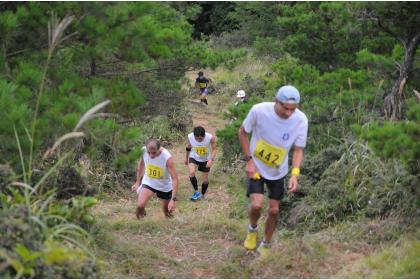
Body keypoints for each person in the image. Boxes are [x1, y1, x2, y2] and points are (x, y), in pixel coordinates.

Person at [238, 85, 308, 257]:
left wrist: (295, 174)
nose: (289, 113)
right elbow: (242, 132)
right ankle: (252, 230)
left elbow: (298, 149)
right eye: (285, 108)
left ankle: (266, 244)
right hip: (257, 167)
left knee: (274, 210)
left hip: (278, 171)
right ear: (276, 101)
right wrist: (249, 161)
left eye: (293, 109)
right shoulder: (259, 111)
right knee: (256, 205)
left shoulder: (301, 120)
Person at [131, 138, 179, 218]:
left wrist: (173, 200)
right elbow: (141, 165)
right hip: (149, 182)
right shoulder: (143, 151)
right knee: (140, 206)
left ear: (159, 148)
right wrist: (137, 182)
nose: (151, 155)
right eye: (149, 152)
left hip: (164, 186)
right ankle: (142, 225)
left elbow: (175, 179)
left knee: (167, 213)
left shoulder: (166, 157)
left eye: (154, 153)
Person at [185, 126, 217, 201]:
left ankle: (202, 194)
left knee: (205, 180)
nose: (199, 140)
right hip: (194, 157)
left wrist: (211, 160)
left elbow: (215, 149)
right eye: (197, 138)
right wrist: (186, 158)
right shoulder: (190, 136)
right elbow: (188, 147)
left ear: (204, 135)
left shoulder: (210, 137)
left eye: (201, 138)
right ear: (194, 136)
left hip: (206, 159)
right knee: (191, 173)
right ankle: (196, 191)